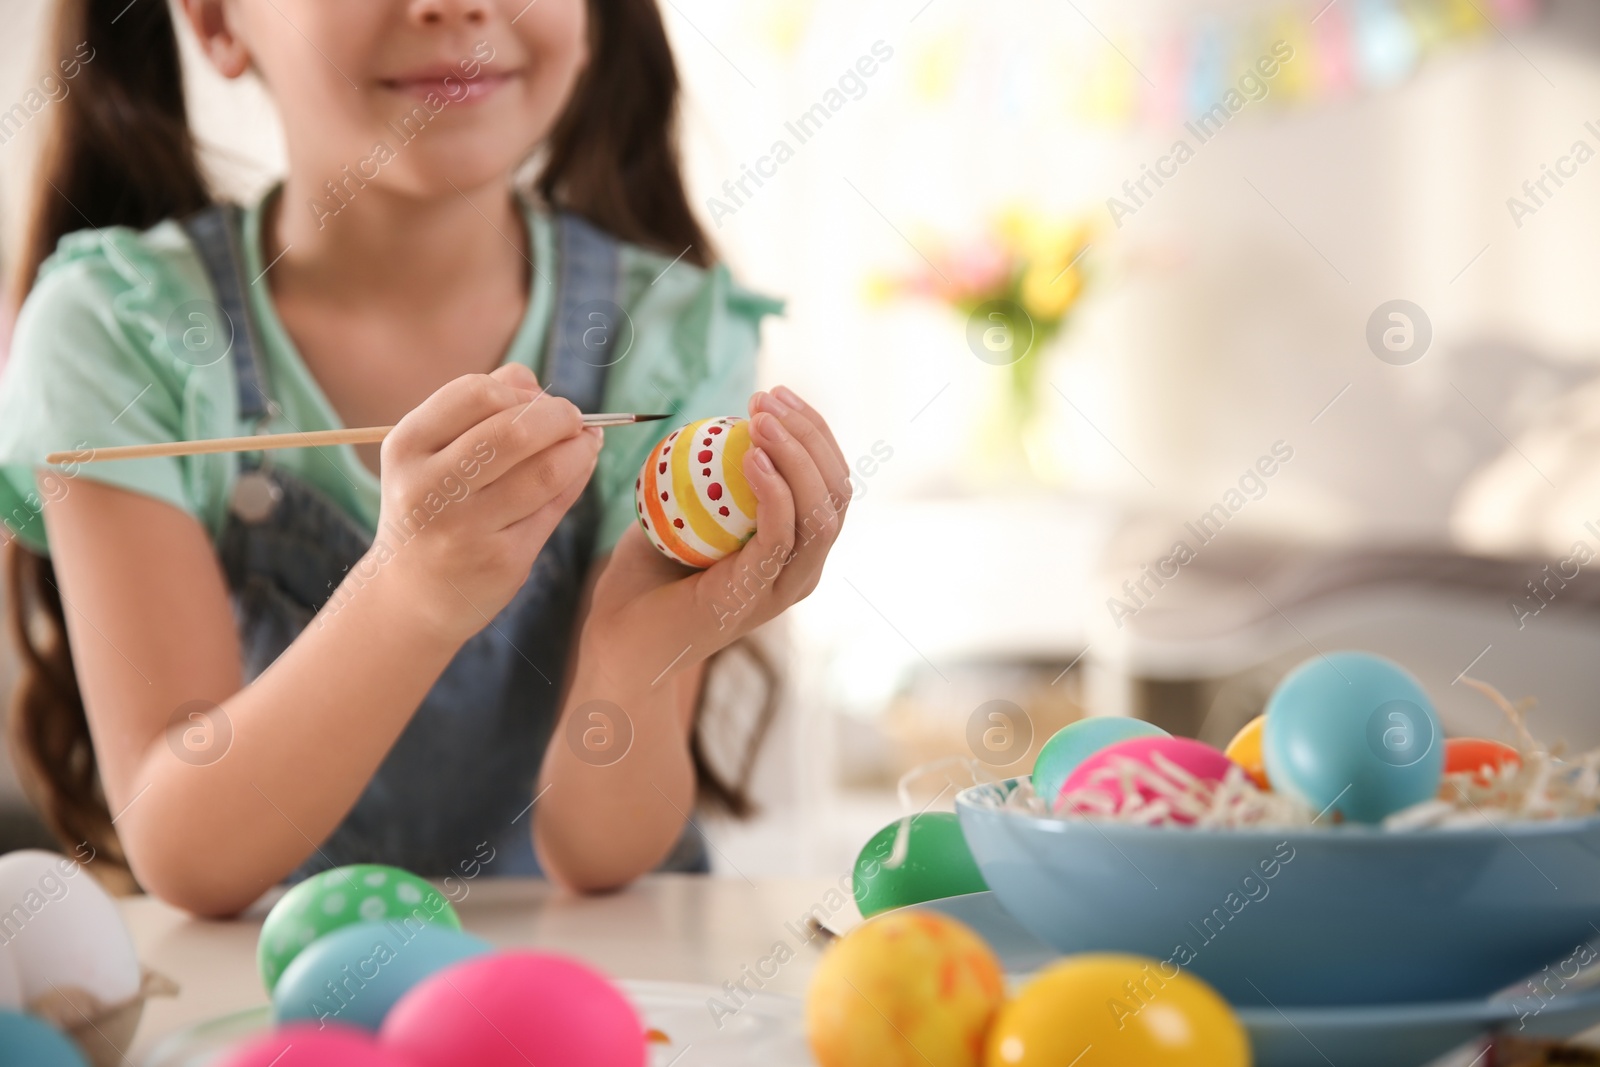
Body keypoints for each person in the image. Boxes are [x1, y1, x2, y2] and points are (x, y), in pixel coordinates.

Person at [0, 0, 849, 916]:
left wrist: (635, 651)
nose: (460, 5)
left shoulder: (671, 336)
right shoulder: (117, 330)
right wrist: (409, 591)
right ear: (213, 20)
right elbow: (187, 849)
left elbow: (603, 854)